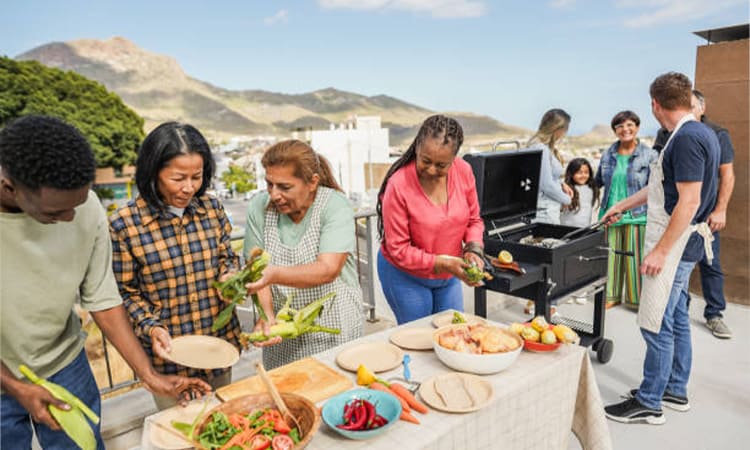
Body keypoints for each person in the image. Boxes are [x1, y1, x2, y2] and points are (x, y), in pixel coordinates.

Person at [0, 115, 210, 448]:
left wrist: (149, 375)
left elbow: (103, 298)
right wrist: (16, 386)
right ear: (9, 187)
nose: (70, 219)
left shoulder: (87, 209)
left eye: (78, 205)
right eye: (55, 214)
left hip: (65, 362)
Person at [603, 72, 719, 425]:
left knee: (655, 322)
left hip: (674, 246)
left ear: (655, 104)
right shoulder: (696, 132)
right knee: (678, 317)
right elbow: (660, 189)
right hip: (686, 244)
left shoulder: (685, 139)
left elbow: (688, 202)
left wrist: (659, 252)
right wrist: (623, 205)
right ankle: (675, 389)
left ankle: (650, 400)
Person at [109, 122, 240, 410]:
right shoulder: (125, 224)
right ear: (153, 172)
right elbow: (125, 291)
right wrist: (151, 327)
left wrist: (229, 276)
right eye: (178, 178)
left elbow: (226, 257)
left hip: (217, 346)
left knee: (224, 421)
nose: (189, 187)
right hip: (169, 357)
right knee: (180, 432)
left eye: (197, 177)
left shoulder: (212, 208)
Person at [243, 140, 364, 369]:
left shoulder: (334, 206)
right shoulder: (259, 207)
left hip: (334, 329)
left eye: (284, 187)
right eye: (269, 184)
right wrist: (267, 315)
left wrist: (273, 274)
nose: (274, 195)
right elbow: (256, 272)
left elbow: (328, 269)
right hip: (283, 335)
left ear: (312, 183)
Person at [376, 114, 485, 324]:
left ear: (454, 159)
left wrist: (473, 250)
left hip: (447, 275)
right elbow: (399, 249)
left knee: (454, 332)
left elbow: (474, 221)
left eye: (441, 165)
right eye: (425, 161)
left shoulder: (464, 171)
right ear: (417, 147)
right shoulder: (398, 185)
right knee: (420, 342)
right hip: (404, 275)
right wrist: (442, 263)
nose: (431, 170)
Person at [658, 91, 736, 338]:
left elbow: (727, 174)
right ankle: (682, 309)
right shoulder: (666, 133)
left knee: (710, 264)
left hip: (702, 215)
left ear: (702, 107)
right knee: (678, 278)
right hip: (674, 217)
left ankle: (714, 314)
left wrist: (720, 209)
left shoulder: (716, 133)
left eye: (691, 106)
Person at [595, 111, 658, 309]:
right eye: (620, 126)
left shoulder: (650, 155)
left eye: (630, 125)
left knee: (634, 258)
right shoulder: (607, 154)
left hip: (637, 214)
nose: (625, 130)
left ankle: (635, 300)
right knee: (611, 257)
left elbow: (655, 187)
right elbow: (597, 181)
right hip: (610, 215)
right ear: (615, 131)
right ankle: (611, 296)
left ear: (637, 127)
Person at [527, 108, 574, 225]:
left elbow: (544, 175)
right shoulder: (540, 148)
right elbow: (546, 185)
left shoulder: (542, 146)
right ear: (557, 128)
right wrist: (567, 199)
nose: (564, 134)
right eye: (565, 129)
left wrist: (561, 183)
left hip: (548, 209)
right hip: (545, 212)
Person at [560, 157, 599, 227]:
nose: (583, 175)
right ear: (571, 173)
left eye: (586, 172)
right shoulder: (567, 189)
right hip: (567, 229)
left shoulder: (591, 188)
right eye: (579, 172)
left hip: (585, 228)